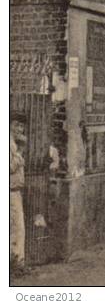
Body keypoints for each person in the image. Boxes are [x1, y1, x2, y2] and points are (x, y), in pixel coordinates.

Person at [10, 111, 27, 266]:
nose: (19, 129)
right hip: (10, 192)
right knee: (18, 228)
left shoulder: (14, 143)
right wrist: (20, 153)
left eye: (21, 126)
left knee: (14, 228)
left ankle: (14, 262)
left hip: (15, 191)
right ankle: (17, 263)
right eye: (16, 125)